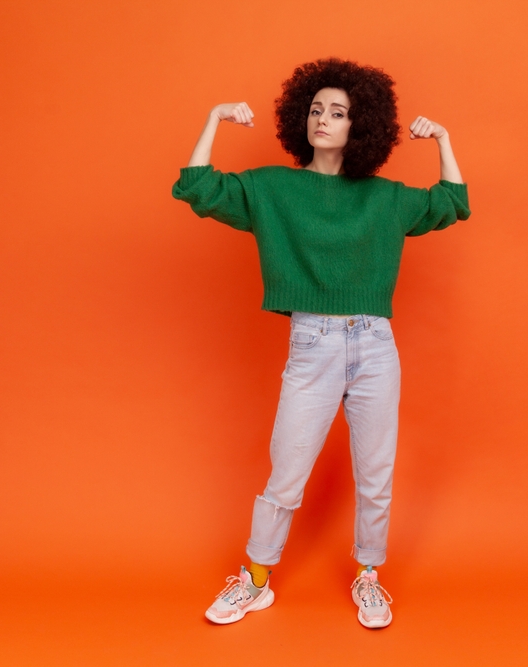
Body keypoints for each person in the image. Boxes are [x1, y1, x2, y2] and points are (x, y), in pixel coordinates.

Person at [171, 57, 470, 629]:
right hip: (313, 344)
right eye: (315, 110)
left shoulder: (385, 199)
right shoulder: (273, 189)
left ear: (363, 126)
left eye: (338, 112)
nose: (323, 120)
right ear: (298, 118)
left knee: (376, 473)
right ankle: (255, 582)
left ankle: (368, 578)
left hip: (376, 347)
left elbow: (451, 202)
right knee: (286, 470)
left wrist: (445, 141)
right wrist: (213, 118)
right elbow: (197, 187)